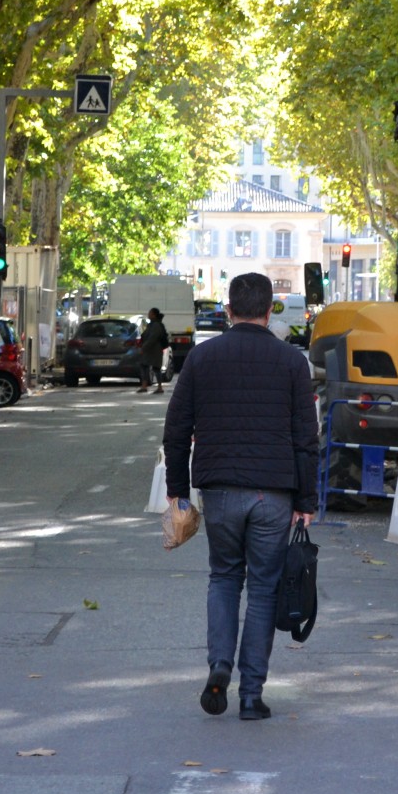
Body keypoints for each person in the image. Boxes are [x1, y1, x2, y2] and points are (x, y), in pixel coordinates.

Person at [163, 273, 317, 721]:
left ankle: (218, 666)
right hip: (274, 493)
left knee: (224, 578)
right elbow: (306, 439)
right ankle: (251, 695)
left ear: (228, 310)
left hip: (221, 489)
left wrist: (178, 490)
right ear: (271, 312)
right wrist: (306, 501)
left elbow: (177, 430)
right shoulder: (292, 363)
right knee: (264, 589)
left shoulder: (202, 358)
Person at [136, 307, 169, 394]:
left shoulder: (156, 325)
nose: (148, 314)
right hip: (151, 350)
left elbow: (152, 338)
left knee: (155, 368)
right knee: (145, 366)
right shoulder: (152, 324)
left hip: (154, 350)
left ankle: (159, 387)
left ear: (154, 315)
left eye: (150, 313)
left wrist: (144, 347)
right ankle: (145, 386)